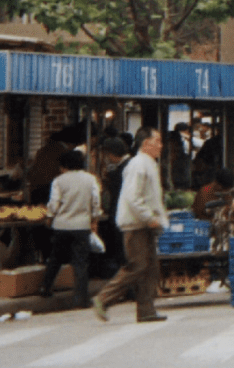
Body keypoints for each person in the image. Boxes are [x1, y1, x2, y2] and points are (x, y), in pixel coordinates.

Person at [93, 127, 168, 323]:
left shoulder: (148, 163)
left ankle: (146, 309)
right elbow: (134, 197)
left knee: (150, 268)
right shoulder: (138, 165)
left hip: (146, 224)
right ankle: (103, 298)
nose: (161, 145)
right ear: (146, 144)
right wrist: (148, 216)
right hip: (136, 224)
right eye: (157, 141)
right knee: (137, 266)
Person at [40, 149, 102, 308]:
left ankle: (45, 287)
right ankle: (80, 298)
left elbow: (54, 203)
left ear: (65, 166)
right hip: (82, 226)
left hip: (61, 225)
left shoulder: (59, 181)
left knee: (56, 258)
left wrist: (49, 217)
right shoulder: (90, 179)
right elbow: (96, 202)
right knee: (80, 263)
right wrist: (94, 220)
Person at [99, 136, 131, 272]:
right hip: (123, 216)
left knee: (124, 255)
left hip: (123, 216)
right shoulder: (125, 166)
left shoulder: (126, 168)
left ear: (110, 153)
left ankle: (128, 288)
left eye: (106, 154)